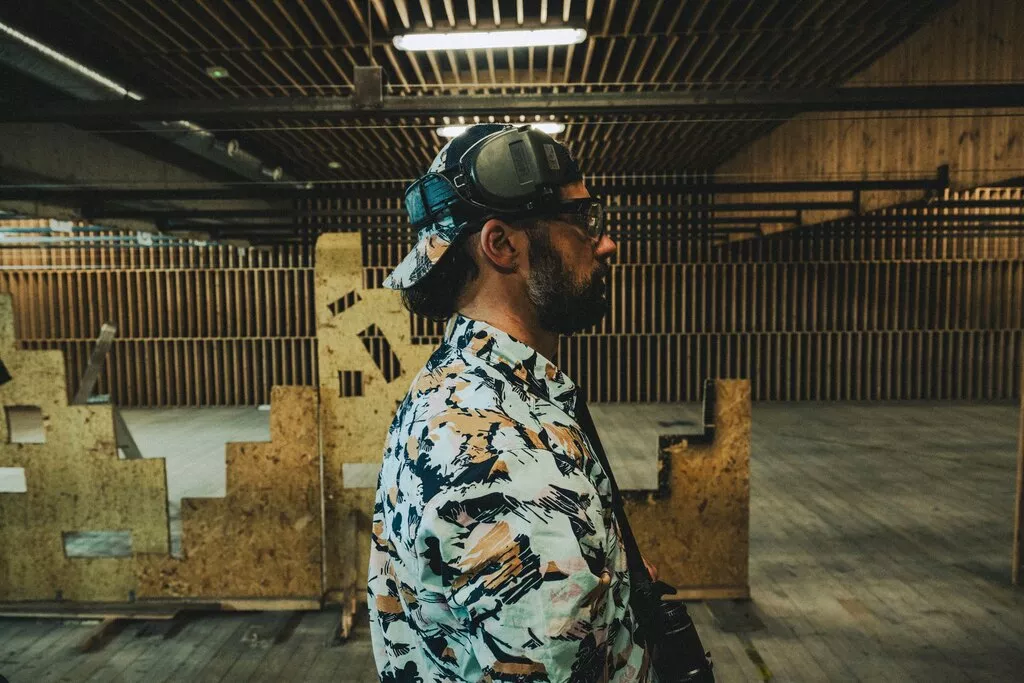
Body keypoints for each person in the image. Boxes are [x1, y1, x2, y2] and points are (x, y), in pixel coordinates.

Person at [368, 124, 655, 682]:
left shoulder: (456, 383)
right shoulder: (505, 463)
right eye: (582, 219)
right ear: (502, 245)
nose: (605, 243)